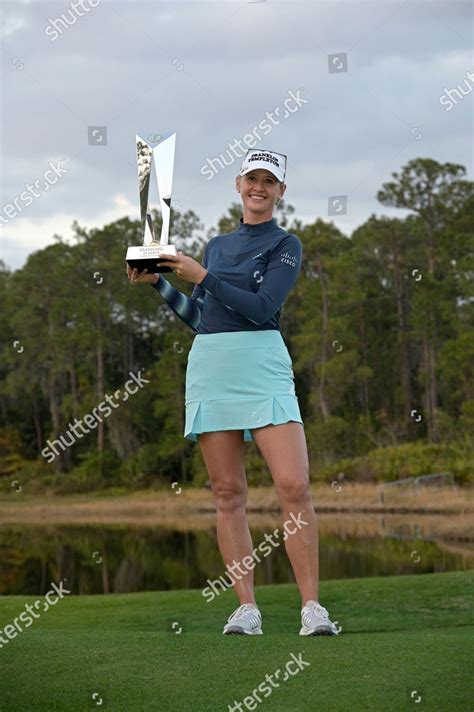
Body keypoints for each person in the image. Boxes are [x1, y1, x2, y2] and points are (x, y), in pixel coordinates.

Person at [127, 148, 338, 637]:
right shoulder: (217, 246)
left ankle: (312, 608)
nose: (259, 187)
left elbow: (262, 307)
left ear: (281, 190)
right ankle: (247, 609)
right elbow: (201, 316)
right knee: (227, 493)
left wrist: (201, 276)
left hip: (262, 363)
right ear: (238, 185)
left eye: (269, 180)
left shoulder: (287, 244)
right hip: (212, 364)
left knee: (294, 486)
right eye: (251, 179)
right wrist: (159, 284)